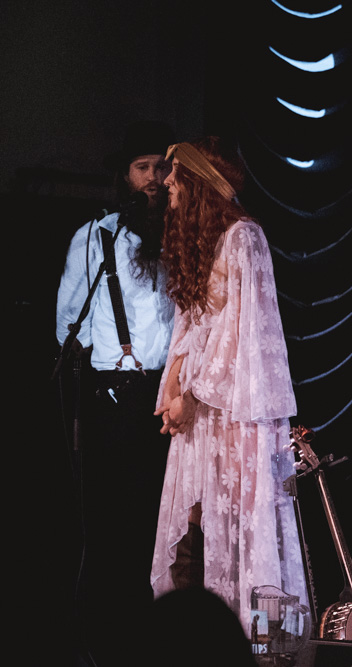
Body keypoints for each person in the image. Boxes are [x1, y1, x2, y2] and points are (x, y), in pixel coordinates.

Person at [150, 136, 307, 636]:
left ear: (198, 180)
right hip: (198, 414)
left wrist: (193, 397)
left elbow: (247, 334)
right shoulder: (196, 243)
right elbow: (186, 327)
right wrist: (172, 395)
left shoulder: (244, 238)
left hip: (233, 409)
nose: (167, 180)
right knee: (193, 531)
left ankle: (248, 644)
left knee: (235, 529)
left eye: (175, 172)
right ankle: (189, 643)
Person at [55, 120, 176, 666]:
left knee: (158, 526)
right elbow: (66, 324)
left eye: (159, 167)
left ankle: (149, 639)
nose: (153, 178)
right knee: (109, 528)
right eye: (142, 168)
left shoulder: (180, 237)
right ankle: (100, 643)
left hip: (167, 399)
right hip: (111, 397)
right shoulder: (94, 237)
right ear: (124, 178)